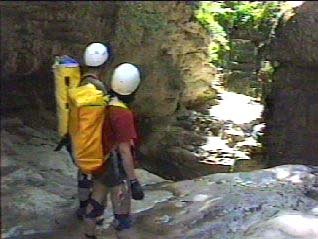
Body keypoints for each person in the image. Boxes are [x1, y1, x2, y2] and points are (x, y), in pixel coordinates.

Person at [83, 63, 144, 239]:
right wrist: (133, 181)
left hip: (99, 160)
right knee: (122, 217)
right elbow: (125, 151)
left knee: (95, 203)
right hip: (115, 167)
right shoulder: (122, 114)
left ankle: (88, 235)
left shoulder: (104, 102)